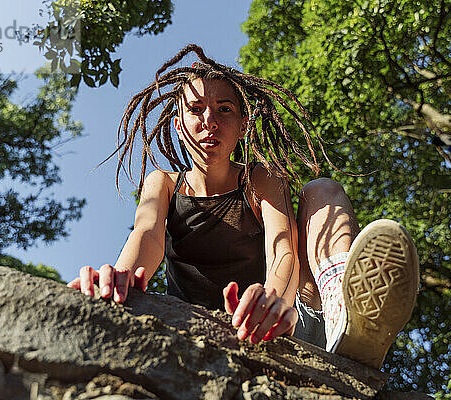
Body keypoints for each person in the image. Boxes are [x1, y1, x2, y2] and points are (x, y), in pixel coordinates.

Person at [67, 44, 419, 370]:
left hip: (281, 320)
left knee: (322, 189)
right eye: (195, 109)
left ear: (243, 125)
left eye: (224, 109)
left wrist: (275, 300)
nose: (210, 120)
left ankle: (349, 319)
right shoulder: (164, 183)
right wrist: (119, 279)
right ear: (178, 124)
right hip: (199, 327)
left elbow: (282, 244)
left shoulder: (260, 178)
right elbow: (147, 234)